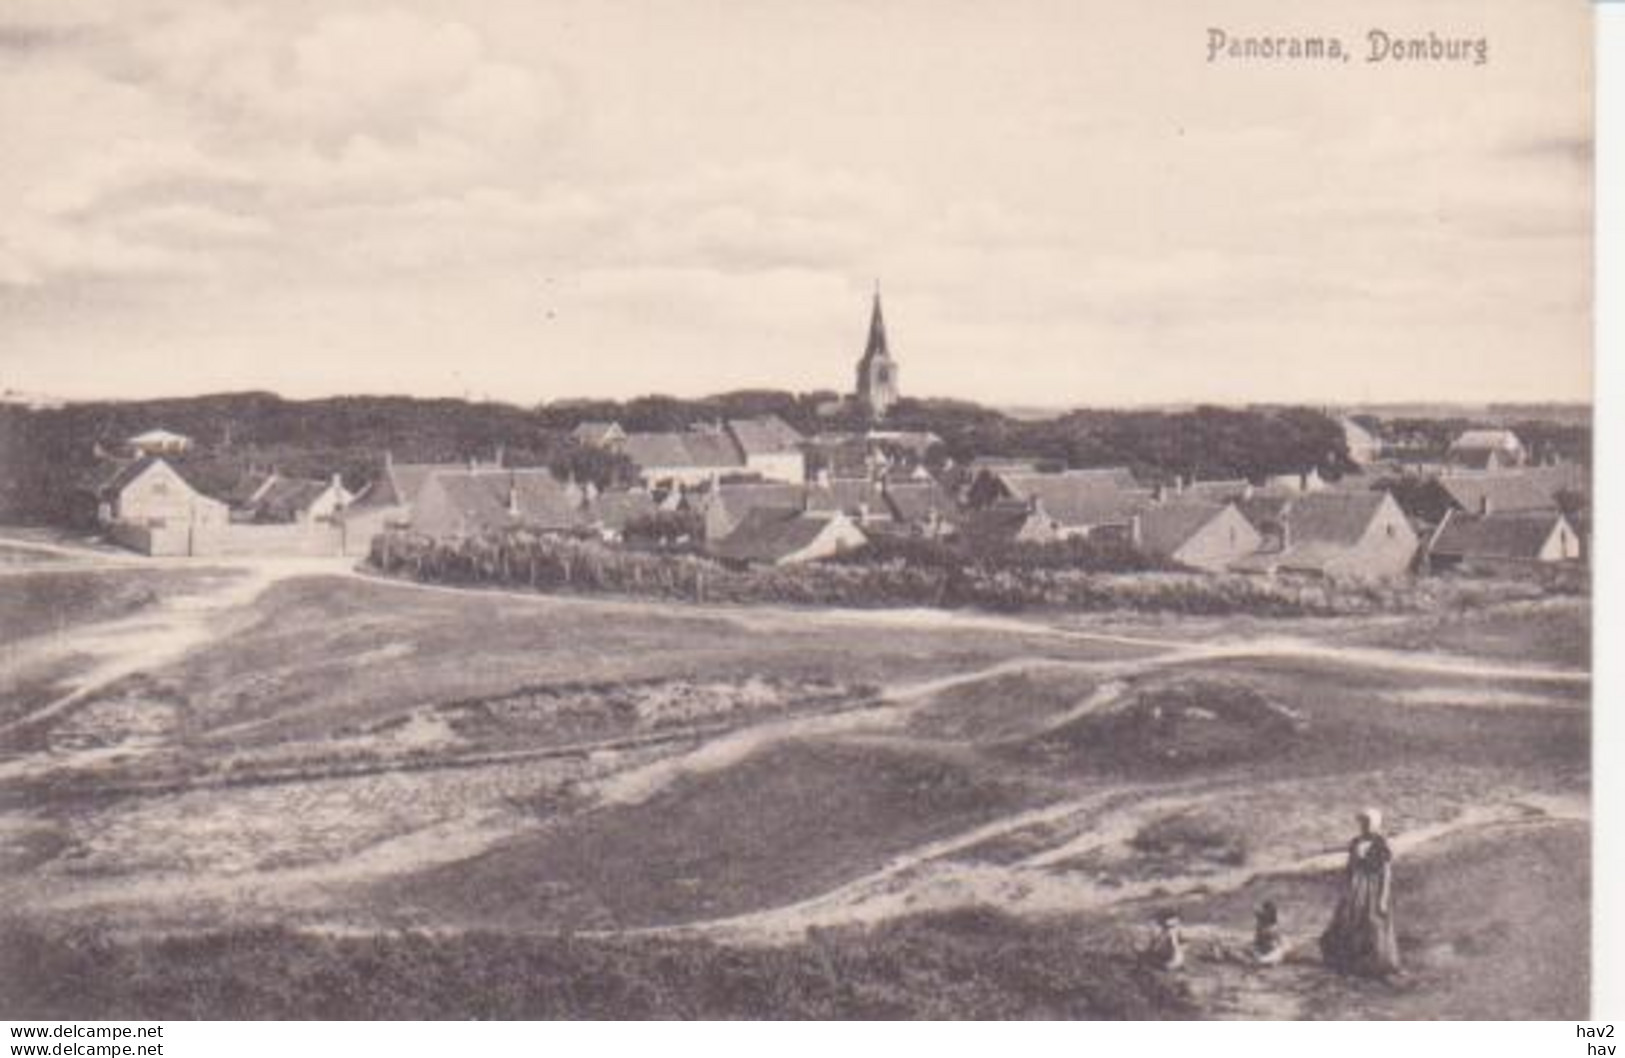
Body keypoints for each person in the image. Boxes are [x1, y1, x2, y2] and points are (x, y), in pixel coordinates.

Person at [1319, 807, 1401, 976]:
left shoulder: (1381, 843)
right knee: (1349, 921)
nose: (1364, 825)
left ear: (1376, 825)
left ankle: (1377, 964)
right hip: (1355, 888)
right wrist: (1345, 888)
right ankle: (1350, 962)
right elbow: (1350, 867)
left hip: (1373, 888)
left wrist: (1383, 898)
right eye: (1362, 822)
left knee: (1373, 924)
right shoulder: (1355, 842)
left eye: (1368, 822)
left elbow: (1386, 873)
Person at [1250, 900, 1286, 966]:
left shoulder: (1273, 927)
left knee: (1272, 936)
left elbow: (1279, 940)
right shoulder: (1261, 920)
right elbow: (1256, 912)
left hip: (1270, 949)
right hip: (1260, 948)